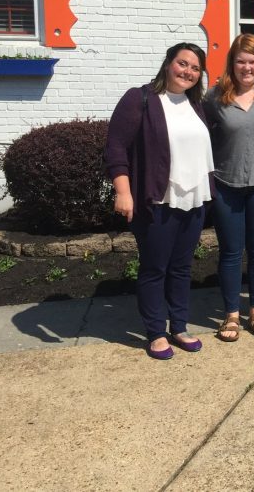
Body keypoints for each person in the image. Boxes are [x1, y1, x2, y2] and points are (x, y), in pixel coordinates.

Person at [105, 42, 214, 360]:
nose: (188, 72)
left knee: (181, 268)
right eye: (183, 64)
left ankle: (178, 326)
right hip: (157, 199)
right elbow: (115, 147)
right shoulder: (141, 98)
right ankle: (155, 331)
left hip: (193, 199)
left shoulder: (195, 105)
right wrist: (123, 191)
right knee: (155, 268)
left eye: (195, 68)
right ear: (168, 63)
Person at [204, 33, 254, 341]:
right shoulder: (214, 97)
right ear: (232, 64)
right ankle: (231, 315)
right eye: (240, 61)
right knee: (231, 252)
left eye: (253, 61)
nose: (247, 67)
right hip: (227, 183)